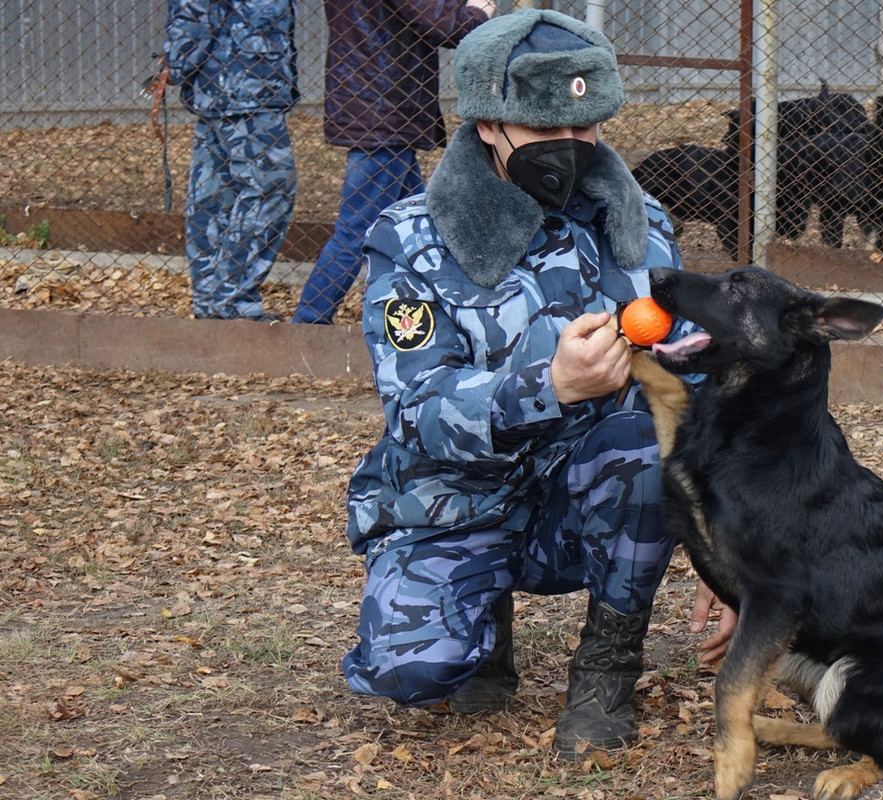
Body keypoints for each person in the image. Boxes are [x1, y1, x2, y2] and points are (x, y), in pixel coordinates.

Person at [340, 8, 736, 760]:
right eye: (547, 129)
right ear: (488, 124)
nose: (573, 150)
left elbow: (696, 384)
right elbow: (416, 411)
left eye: (587, 128)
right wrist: (547, 386)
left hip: (591, 495)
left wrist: (731, 554)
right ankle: (481, 622)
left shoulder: (640, 223)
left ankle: (606, 671)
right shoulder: (411, 236)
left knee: (645, 439)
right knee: (411, 672)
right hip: (459, 500)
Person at [290, 0, 495, 325]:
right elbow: (444, 25)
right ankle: (308, 321)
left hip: (377, 106)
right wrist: (477, 12)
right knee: (357, 229)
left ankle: (436, 313)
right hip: (384, 111)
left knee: (424, 224)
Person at [163, 0, 299, 321]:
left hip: (226, 86)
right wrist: (180, 62)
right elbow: (193, 15)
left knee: (215, 196)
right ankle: (232, 299)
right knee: (271, 186)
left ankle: (212, 302)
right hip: (243, 86)